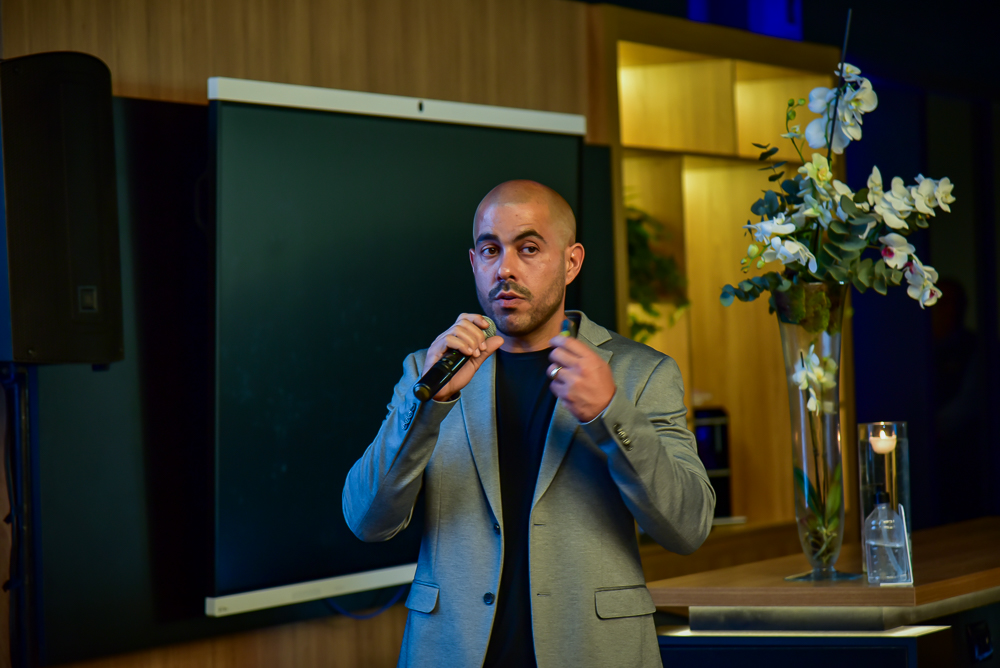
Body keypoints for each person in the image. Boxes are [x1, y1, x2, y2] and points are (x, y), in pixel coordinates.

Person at [342, 180, 714, 668]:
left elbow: (689, 527)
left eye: (529, 248)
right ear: (474, 262)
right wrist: (429, 405)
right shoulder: (428, 370)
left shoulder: (642, 373)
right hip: (453, 652)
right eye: (490, 250)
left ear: (571, 262)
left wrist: (610, 412)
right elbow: (366, 521)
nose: (506, 268)